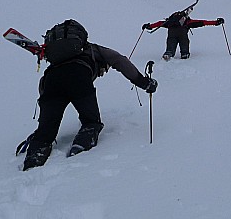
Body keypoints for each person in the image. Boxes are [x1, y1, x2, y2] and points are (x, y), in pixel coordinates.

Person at [22, 21, 157, 170]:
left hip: (51, 81)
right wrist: (144, 82)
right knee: (91, 122)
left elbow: (44, 86)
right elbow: (120, 60)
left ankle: (34, 156)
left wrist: (46, 117)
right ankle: (81, 147)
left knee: (45, 133)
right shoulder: (94, 49)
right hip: (79, 77)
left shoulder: (56, 59)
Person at [143, 7, 224, 60]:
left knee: (170, 45)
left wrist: (149, 26)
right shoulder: (188, 22)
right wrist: (216, 22)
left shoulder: (169, 22)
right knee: (184, 43)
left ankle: (168, 53)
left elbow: (159, 23)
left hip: (171, 34)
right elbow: (202, 22)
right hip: (183, 35)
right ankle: (184, 54)